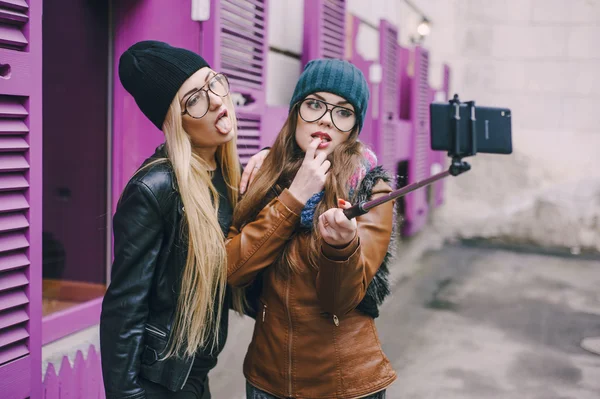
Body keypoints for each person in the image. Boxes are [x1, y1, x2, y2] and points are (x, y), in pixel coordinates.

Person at [100, 40, 268, 399]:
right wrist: (127, 395)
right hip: (157, 382)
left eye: (214, 83)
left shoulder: (226, 175)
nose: (217, 101)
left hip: (194, 375)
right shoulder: (154, 188)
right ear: (175, 121)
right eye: (194, 99)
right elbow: (125, 307)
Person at [227, 59, 397, 399]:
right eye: (315, 104)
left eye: (343, 111)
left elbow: (340, 302)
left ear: (353, 127)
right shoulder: (264, 176)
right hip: (266, 379)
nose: (325, 119)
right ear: (296, 111)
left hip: (343, 384)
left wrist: (342, 248)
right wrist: (294, 196)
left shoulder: (370, 190)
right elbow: (231, 269)